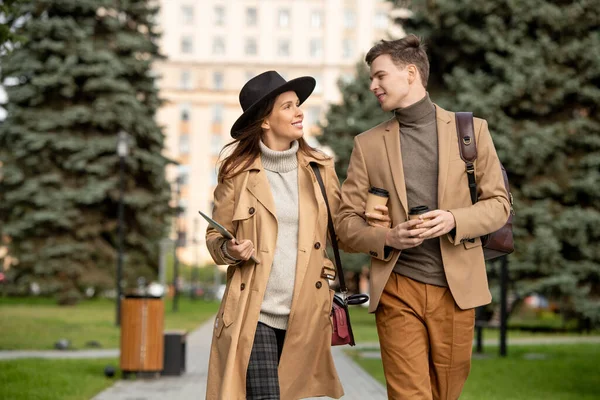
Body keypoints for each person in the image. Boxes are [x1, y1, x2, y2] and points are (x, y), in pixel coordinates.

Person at [335, 35, 511, 400]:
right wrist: (389, 238)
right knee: (409, 396)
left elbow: (498, 205)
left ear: (411, 72)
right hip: (398, 287)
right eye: (372, 78)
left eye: (380, 76)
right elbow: (345, 224)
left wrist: (453, 219)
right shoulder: (367, 145)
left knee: (445, 393)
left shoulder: (471, 132)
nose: (373, 85)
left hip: (456, 290)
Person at [204, 70, 346, 400]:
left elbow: (344, 230)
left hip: (306, 313)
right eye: (287, 106)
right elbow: (214, 238)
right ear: (265, 121)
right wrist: (230, 250)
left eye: (298, 105)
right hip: (254, 313)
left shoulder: (320, 168)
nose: (299, 112)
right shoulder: (237, 173)